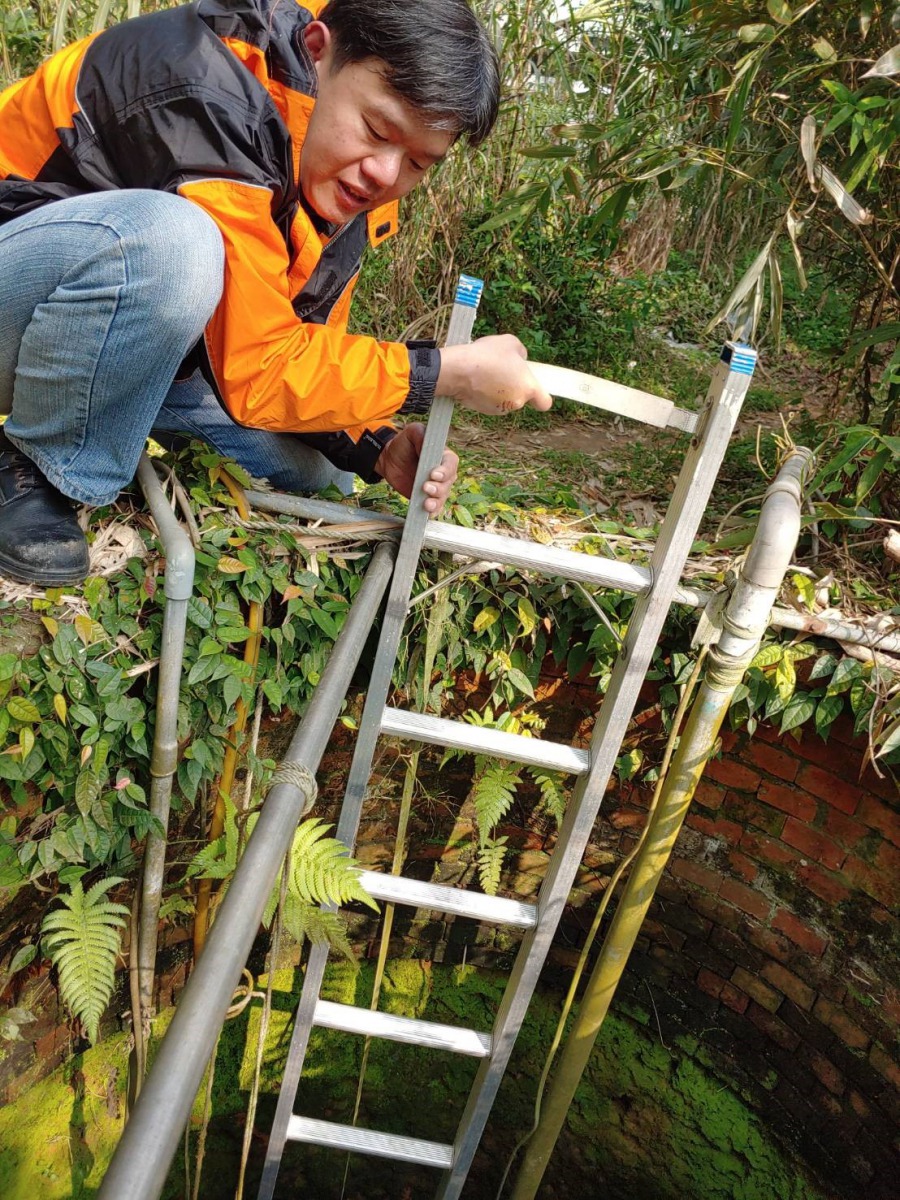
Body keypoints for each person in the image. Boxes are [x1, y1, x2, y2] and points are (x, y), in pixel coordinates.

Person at [0, 0, 551, 587]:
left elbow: (297, 341)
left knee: (321, 476)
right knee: (175, 247)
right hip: (25, 279)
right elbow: (258, 367)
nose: (385, 176)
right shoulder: (207, 83)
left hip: (133, 348)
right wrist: (442, 372)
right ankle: (38, 467)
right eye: (376, 130)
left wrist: (376, 445)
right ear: (318, 50)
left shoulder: (338, 178)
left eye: (417, 161)